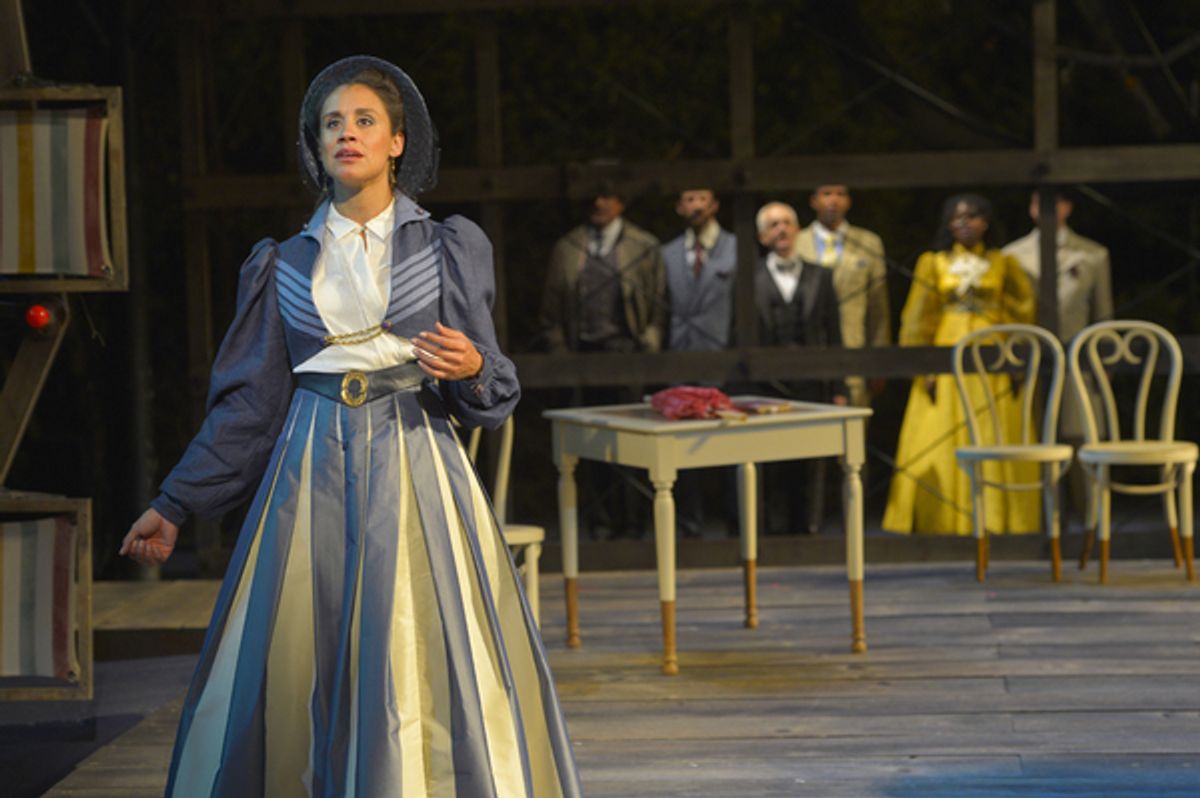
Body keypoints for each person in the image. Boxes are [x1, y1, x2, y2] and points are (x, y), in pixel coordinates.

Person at [120, 56, 582, 797]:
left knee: (414, 648)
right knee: (308, 649)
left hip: (416, 463)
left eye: (365, 121)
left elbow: (492, 387)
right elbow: (249, 405)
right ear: (317, 145)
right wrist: (175, 501)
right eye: (333, 123)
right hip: (309, 473)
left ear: (397, 142)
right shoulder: (281, 263)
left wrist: (470, 369)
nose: (347, 134)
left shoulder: (446, 247)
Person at [883, 193, 1039, 536]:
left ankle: (997, 519)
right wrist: (923, 366)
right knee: (938, 436)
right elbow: (917, 317)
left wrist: (1017, 360)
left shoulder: (1003, 263)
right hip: (946, 353)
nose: (964, 223)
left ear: (986, 222)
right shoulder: (933, 263)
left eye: (973, 216)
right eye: (957, 217)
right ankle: (943, 520)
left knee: (993, 431)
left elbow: (1022, 312)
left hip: (991, 354)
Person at [539, 182, 666, 539]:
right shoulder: (569, 247)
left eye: (608, 195)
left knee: (633, 441)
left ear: (621, 201)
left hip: (628, 355)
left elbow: (657, 306)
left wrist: (650, 346)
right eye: (594, 196)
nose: (599, 203)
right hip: (583, 356)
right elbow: (550, 307)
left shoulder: (643, 245)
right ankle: (600, 520)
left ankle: (634, 521)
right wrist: (560, 352)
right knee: (591, 443)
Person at [1003, 189, 1113, 515]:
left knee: (1082, 436)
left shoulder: (1093, 254)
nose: (1046, 209)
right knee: (1033, 437)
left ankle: (1092, 520)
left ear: (1068, 207)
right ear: (1031, 207)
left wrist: (1103, 360)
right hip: (1029, 360)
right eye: (1038, 202)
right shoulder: (1012, 255)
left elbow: (1102, 314)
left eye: (1054, 202)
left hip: (1077, 357)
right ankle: (1039, 518)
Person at [755, 201, 846, 536]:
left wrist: (839, 387)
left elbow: (833, 334)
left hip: (809, 385)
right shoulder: (748, 279)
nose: (781, 229)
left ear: (796, 230)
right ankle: (769, 533)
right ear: (763, 236)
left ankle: (805, 531)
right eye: (773, 224)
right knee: (768, 464)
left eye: (787, 223)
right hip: (766, 388)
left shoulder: (820, 276)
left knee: (807, 463)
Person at [661, 188, 737, 538]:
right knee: (683, 447)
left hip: (722, 356)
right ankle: (689, 525)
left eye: (701, 198)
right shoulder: (669, 253)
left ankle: (734, 525)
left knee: (727, 445)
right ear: (679, 206)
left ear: (714, 204)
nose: (695, 205)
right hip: (680, 356)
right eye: (688, 199)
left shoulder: (735, 248)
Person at [794, 184, 891, 408]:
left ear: (849, 201)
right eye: (827, 194)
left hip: (853, 349)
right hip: (806, 354)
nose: (833, 200)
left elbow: (879, 308)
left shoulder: (869, 242)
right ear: (814, 200)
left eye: (840, 194)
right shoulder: (797, 242)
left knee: (853, 429)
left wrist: (879, 360)